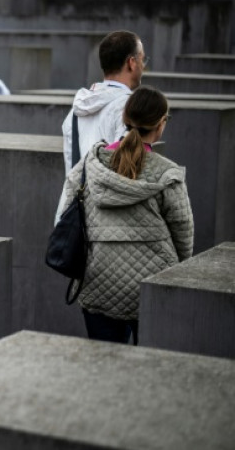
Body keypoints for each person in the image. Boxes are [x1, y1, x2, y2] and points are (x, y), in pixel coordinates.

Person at [56, 86, 193, 344]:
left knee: (105, 368)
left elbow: (68, 212)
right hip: (153, 285)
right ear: (160, 125)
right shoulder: (168, 173)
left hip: (97, 282)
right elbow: (183, 233)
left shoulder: (89, 164)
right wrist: (176, 279)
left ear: (125, 119)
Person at [61, 30, 147, 170]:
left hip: (74, 191)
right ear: (131, 63)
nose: (143, 66)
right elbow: (127, 170)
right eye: (142, 59)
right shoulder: (130, 108)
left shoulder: (75, 111)